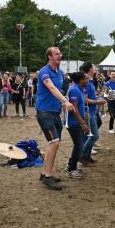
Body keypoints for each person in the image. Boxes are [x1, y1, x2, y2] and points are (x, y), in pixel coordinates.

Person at [36, 47, 74, 190]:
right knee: (54, 142)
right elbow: (51, 88)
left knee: (53, 143)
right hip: (44, 112)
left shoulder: (60, 73)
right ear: (49, 57)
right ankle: (48, 177)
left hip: (55, 112)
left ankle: (44, 172)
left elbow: (62, 89)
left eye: (60, 54)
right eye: (57, 54)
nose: (60, 56)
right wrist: (65, 101)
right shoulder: (44, 72)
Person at [65, 72, 90, 178]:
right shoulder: (74, 89)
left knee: (78, 145)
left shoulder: (79, 89)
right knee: (79, 146)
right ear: (80, 80)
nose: (87, 80)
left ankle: (71, 165)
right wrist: (83, 123)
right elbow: (74, 109)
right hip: (74, 123)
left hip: (77, 122)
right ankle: (72, 169)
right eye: (85, 78)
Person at [80, 62, 106, 164]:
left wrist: (97, 96)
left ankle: (87, 156)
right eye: (93, 67)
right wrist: (98, 101)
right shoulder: (86, 81)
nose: (95, 69)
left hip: (93, 111)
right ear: (90, 69)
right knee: (94, 136)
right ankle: (82, 154)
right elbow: (85, 99)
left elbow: (89, 96)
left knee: (89, 135)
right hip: (89, 112)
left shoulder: (89, 81)